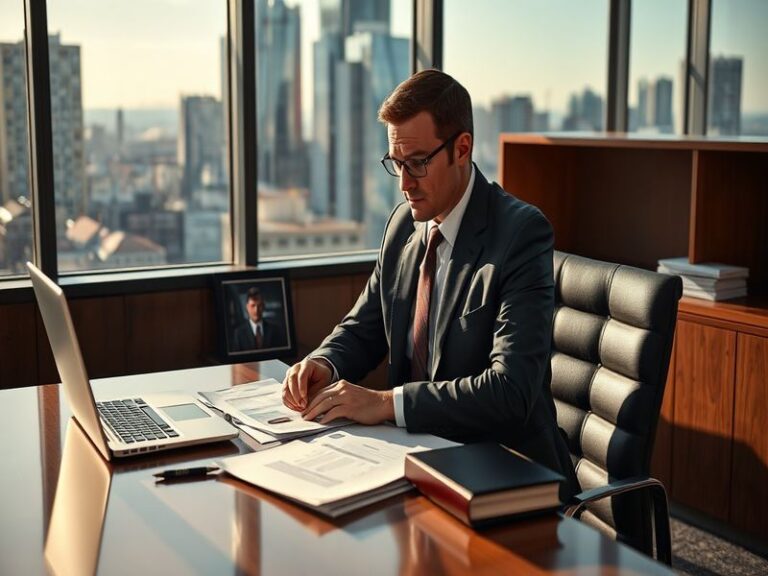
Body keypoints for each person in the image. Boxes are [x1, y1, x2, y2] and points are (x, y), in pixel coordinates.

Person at [282, 69, 577, 499]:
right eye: (395, 164)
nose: (404, 184)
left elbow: (510, 391)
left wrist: (386, 404)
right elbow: (364, 328)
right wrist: (323, 364)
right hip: (420, 464)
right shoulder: (404, 225)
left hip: (507, 475)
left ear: (462, 148)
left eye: (417, 162)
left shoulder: (520, 234)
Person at [232, 287, 286, 351]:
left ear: (263, 306)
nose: (256, 310)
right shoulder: (239, 333)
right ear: (247, 307)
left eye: (259, 305)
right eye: (253, 305)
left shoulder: (275, 330)